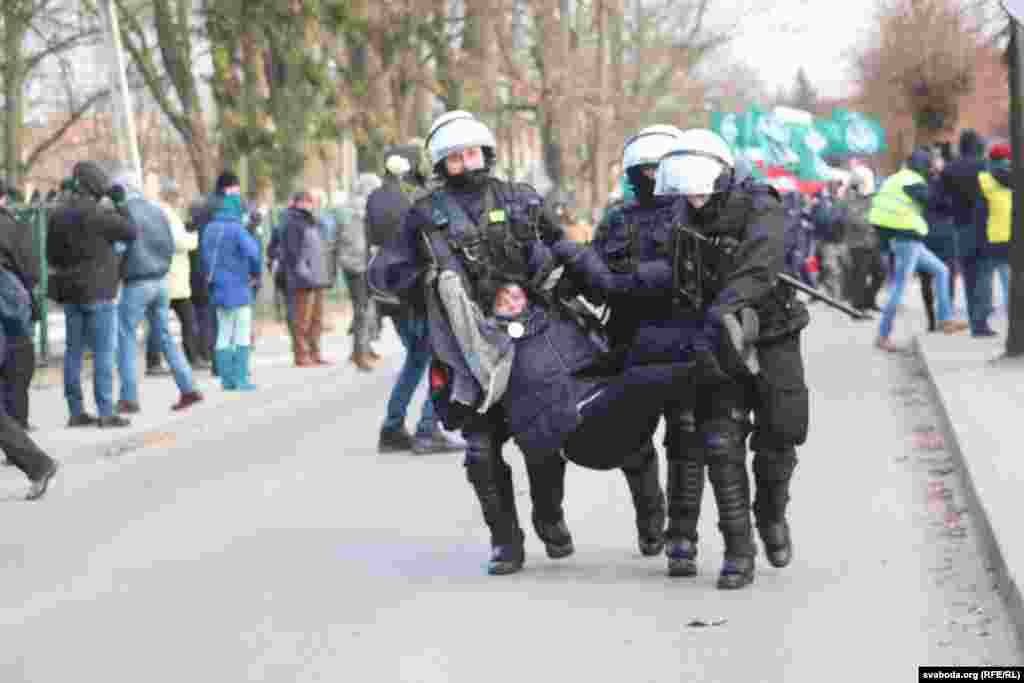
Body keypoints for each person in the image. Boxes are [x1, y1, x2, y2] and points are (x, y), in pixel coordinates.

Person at [588, 124, 686, 559]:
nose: (653, 177)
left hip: (686, 338)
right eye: (645, 169)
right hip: (629, 340)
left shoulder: (695, 214)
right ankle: (651, 522)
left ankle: (682, 532)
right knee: (634, 440)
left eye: (660, 169)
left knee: (686, 436)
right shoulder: (616, 219)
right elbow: (595, 276)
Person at [366, 157, 462, 455]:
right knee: (443, 358)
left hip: (389, 290)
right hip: (416, 293)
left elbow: (371, 238)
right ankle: (427, 430)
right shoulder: (425, 203)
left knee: (418, 358)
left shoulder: (377, 197)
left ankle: (392, 428)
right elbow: (435, 252)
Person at [47, 161, 138, 428]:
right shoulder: (101, 215)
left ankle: (76, 411)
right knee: (102, 352)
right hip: (99, 292)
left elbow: (51, 255)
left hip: (71, 293)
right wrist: (121, 203)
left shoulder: (58, 215)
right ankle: (105, 411)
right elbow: (132, 232)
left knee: (73, 352)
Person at [112, 170, 204, 414]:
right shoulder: (158, 210)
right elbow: (170, 244)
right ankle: (188, 387)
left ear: (121, 190)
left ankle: (128, 397)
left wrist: (116, 274)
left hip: (137, 281)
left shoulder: (124, 213)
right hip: (162, 280)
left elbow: (120, 248)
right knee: (165, 336)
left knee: (127, 337)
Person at [869, 148, 969, 351]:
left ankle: (945, 320)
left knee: (942, 270)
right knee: (898, 289)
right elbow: (935, 202)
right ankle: (883, 335)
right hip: (907, 240)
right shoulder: (912, 181)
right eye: (929, 165)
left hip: (905, 238)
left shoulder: (898, 178)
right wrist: (940, 177)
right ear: (923, 166)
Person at [201, 189, 262, 391]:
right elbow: (253, 253)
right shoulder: (237, 230)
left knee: (224, 331)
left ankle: (227, 380)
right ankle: (241, 378)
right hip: (238, 286)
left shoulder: (209, 229)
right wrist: (255, 274)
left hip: (217, 286)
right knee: (242, 332)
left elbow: (204, 256)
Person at [0, 179, 41, 429]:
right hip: (9, 301)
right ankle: (17, 426)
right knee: (17, 363)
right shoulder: (10, 225)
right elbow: (30, 268)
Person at [280, 190, 332, 366]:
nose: (312, 204)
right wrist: (304, 273)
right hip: (304, 279)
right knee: (302, 319)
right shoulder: (293, 222)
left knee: (316, 319)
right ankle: (302, 354)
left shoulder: (314, 222)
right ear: (299, 203)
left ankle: (315, 352)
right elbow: (293, 253)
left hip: (318, 277)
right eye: (309, 201)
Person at [342, 172, 385, 371]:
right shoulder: (366, 207)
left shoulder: (348, 207)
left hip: (349, 264)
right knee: (363, 311)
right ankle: (361, 354)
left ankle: (361, 349)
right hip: (362, 265)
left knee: (362, 309)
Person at [971, 143, 1013, 335]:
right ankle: (1016, 323)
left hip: (990, 237)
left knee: (985, 282)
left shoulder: (983, 180)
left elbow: (978, 212)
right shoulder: (1017, 179)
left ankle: (980, 324)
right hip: (1011, 237)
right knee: (1010, 282)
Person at [840, 166, 885, 316]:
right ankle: (858, 307)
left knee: (880, 273)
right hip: (858, 244)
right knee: (860, 275)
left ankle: (869, 300)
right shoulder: (850, 196)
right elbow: (855, 219)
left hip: (872, 242)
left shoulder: (872, 197)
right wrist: (872, 219)